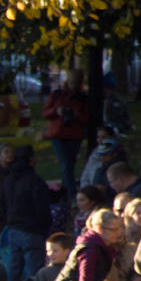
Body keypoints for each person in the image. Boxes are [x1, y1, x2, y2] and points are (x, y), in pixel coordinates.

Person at [0, 145, 52, 281]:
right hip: (32, 231)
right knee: (32, 275)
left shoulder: (8, 180)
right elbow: (43, 209)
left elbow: (3, 204)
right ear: (30, 160)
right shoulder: (35, 182)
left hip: (13, 229)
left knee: (13, 270)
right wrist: (44, 228)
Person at [42, 69, 89, 200]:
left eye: (76, 83)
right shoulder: (57, 95)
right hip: (58, 134)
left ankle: (64, 193)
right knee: (66, 164)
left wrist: (76, 114)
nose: (73, 86)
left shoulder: (83, 98)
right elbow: (45, 113)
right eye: (72, 82)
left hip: (74, 135)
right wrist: (57, 111)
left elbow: (87, 119)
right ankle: (71, 195)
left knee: (69, 165)